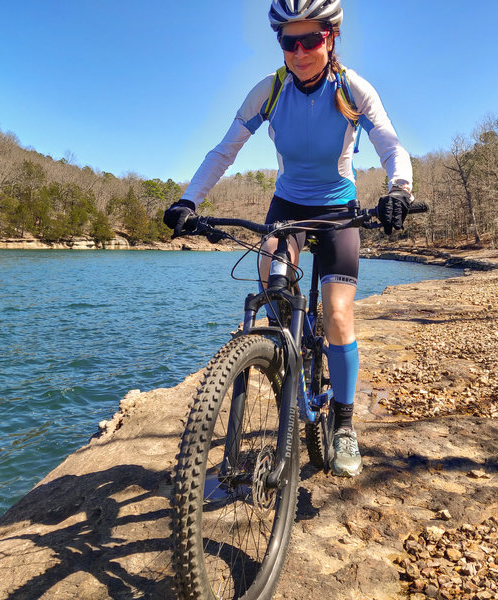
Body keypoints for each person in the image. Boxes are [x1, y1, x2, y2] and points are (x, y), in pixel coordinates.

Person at [164, 0, 414, 477]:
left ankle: (342, 424)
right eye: (288, 42)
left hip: (338, 209)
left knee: (339, 313)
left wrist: (399, 188)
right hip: (287, 209)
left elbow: (389, 142)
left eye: (310, 40)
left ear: (331, 39)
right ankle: (285, 363)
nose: (299, 52)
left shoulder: (352, 88)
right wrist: (189, 200)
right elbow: (225, 149)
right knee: (274, 291)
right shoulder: (270, 90)